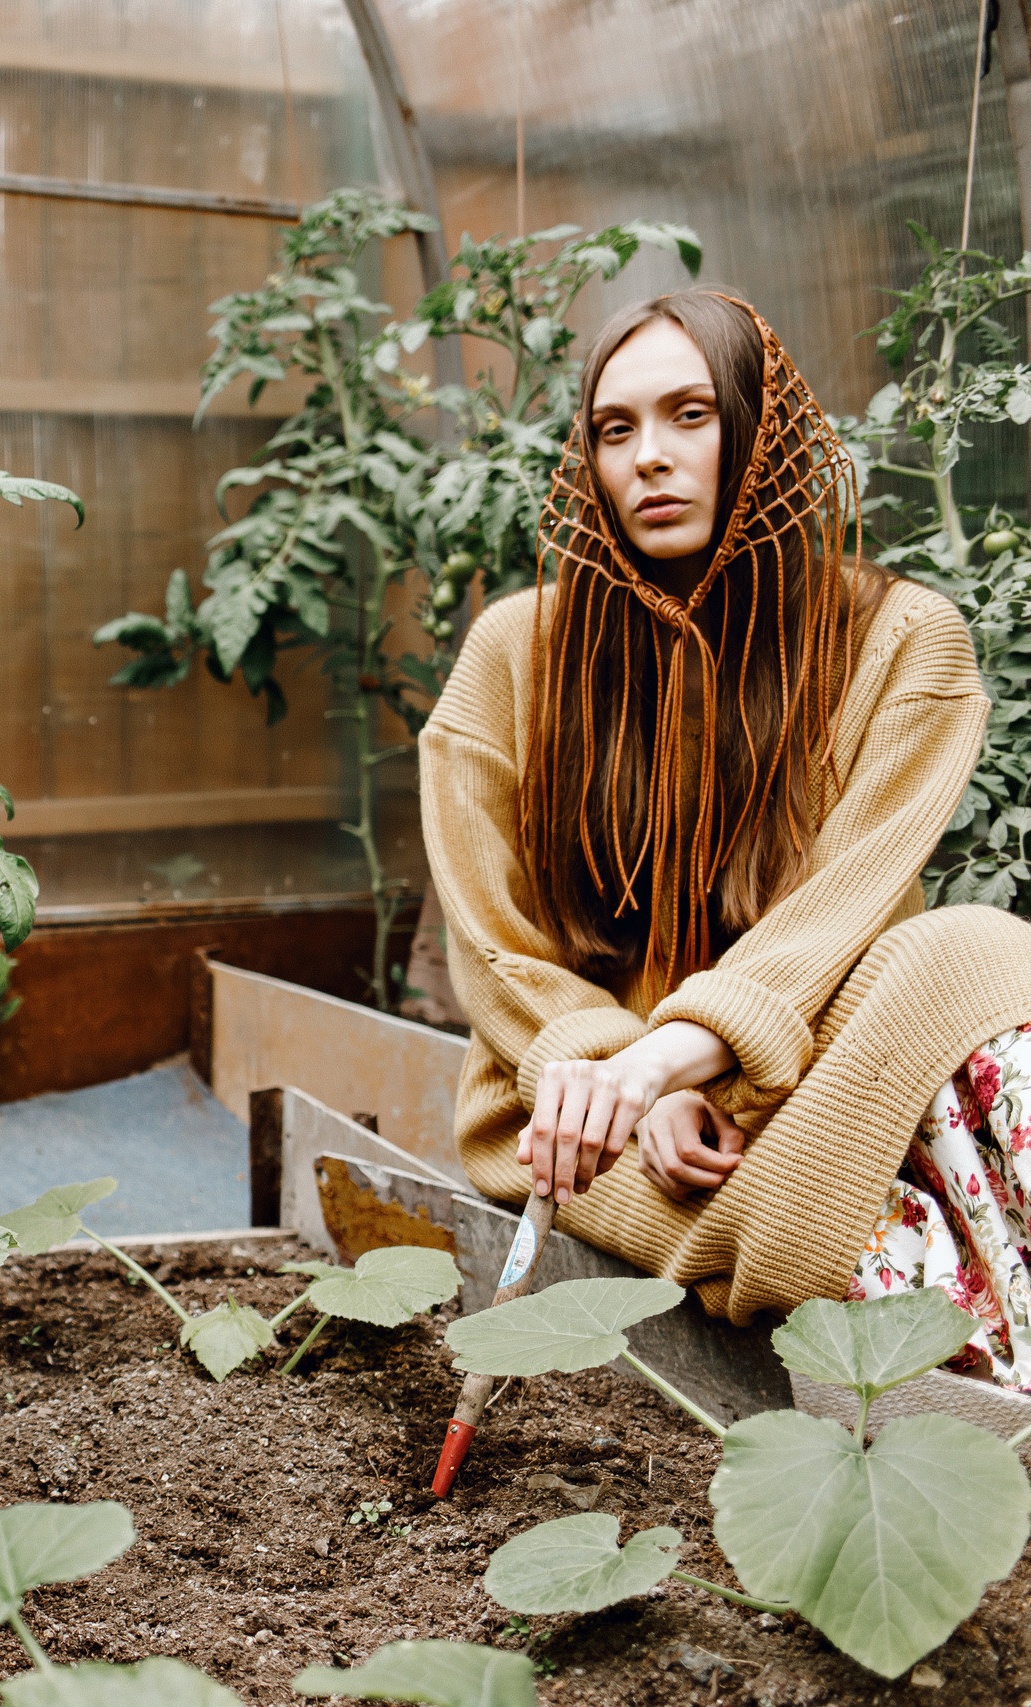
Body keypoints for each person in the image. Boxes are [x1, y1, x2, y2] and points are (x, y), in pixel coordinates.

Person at [422, 287, 1031, 1366]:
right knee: (892, 1257)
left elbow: (843, 910)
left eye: (689, 415)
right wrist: (617, 1071)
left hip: (812, 1065)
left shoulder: (899, 638)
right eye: (616, 429)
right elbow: (496, 945)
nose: (647, 458)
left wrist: (676, 1066)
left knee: (976, 947)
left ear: (761, 429)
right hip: (575, 1110)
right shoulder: (517, 653)